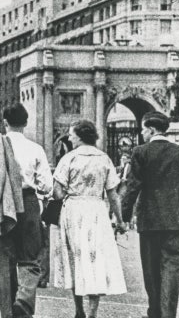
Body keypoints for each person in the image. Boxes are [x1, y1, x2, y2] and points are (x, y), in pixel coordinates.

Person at [0, 103, 53, 317]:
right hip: (28, 202)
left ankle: (8, 312)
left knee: (4, 262)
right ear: (26, 122)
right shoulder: (35, 148)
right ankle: (25, 299)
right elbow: (46, 185)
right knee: (31, 257)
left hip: (2, 204)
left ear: (5, 123)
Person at [52, 119, 127, 318]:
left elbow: (57, 192)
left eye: (72, 134)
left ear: (80, 136)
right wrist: (120, 221)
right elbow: (113, 194)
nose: (69, 137)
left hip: (74, 209)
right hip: (96, 211)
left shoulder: (69, 158)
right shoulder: (104, 159)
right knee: (95, 259)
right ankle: (93, 311)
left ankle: (79, 310)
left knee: (75, 258)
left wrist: (71, 191)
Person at [122, 111, 179, 318]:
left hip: (150, 219)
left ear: (151, 130)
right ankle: (168, 313)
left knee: (151, 271)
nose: (142, 133)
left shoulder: (140, 152)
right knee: (172, 269)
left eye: (143, 129)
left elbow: (133, 186)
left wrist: (124, 215)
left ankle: (154, 312)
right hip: (178, 220)